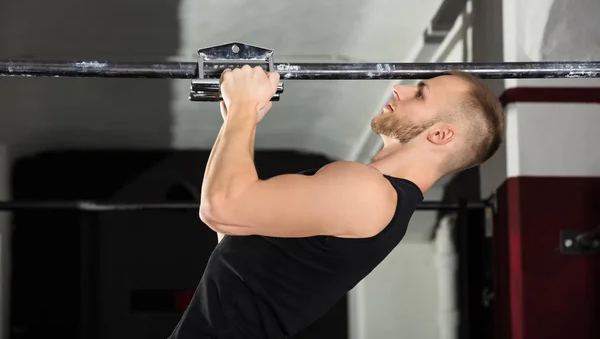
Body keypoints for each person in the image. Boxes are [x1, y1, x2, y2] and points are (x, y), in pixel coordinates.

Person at [168, 65, 504, 339]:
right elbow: (232, 228)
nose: (399, 88)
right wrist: (241, 121)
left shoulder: (369, 193)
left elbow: (221, 208)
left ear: (440, 135)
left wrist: (242, 106)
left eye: (420, 94)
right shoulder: (371, 195)